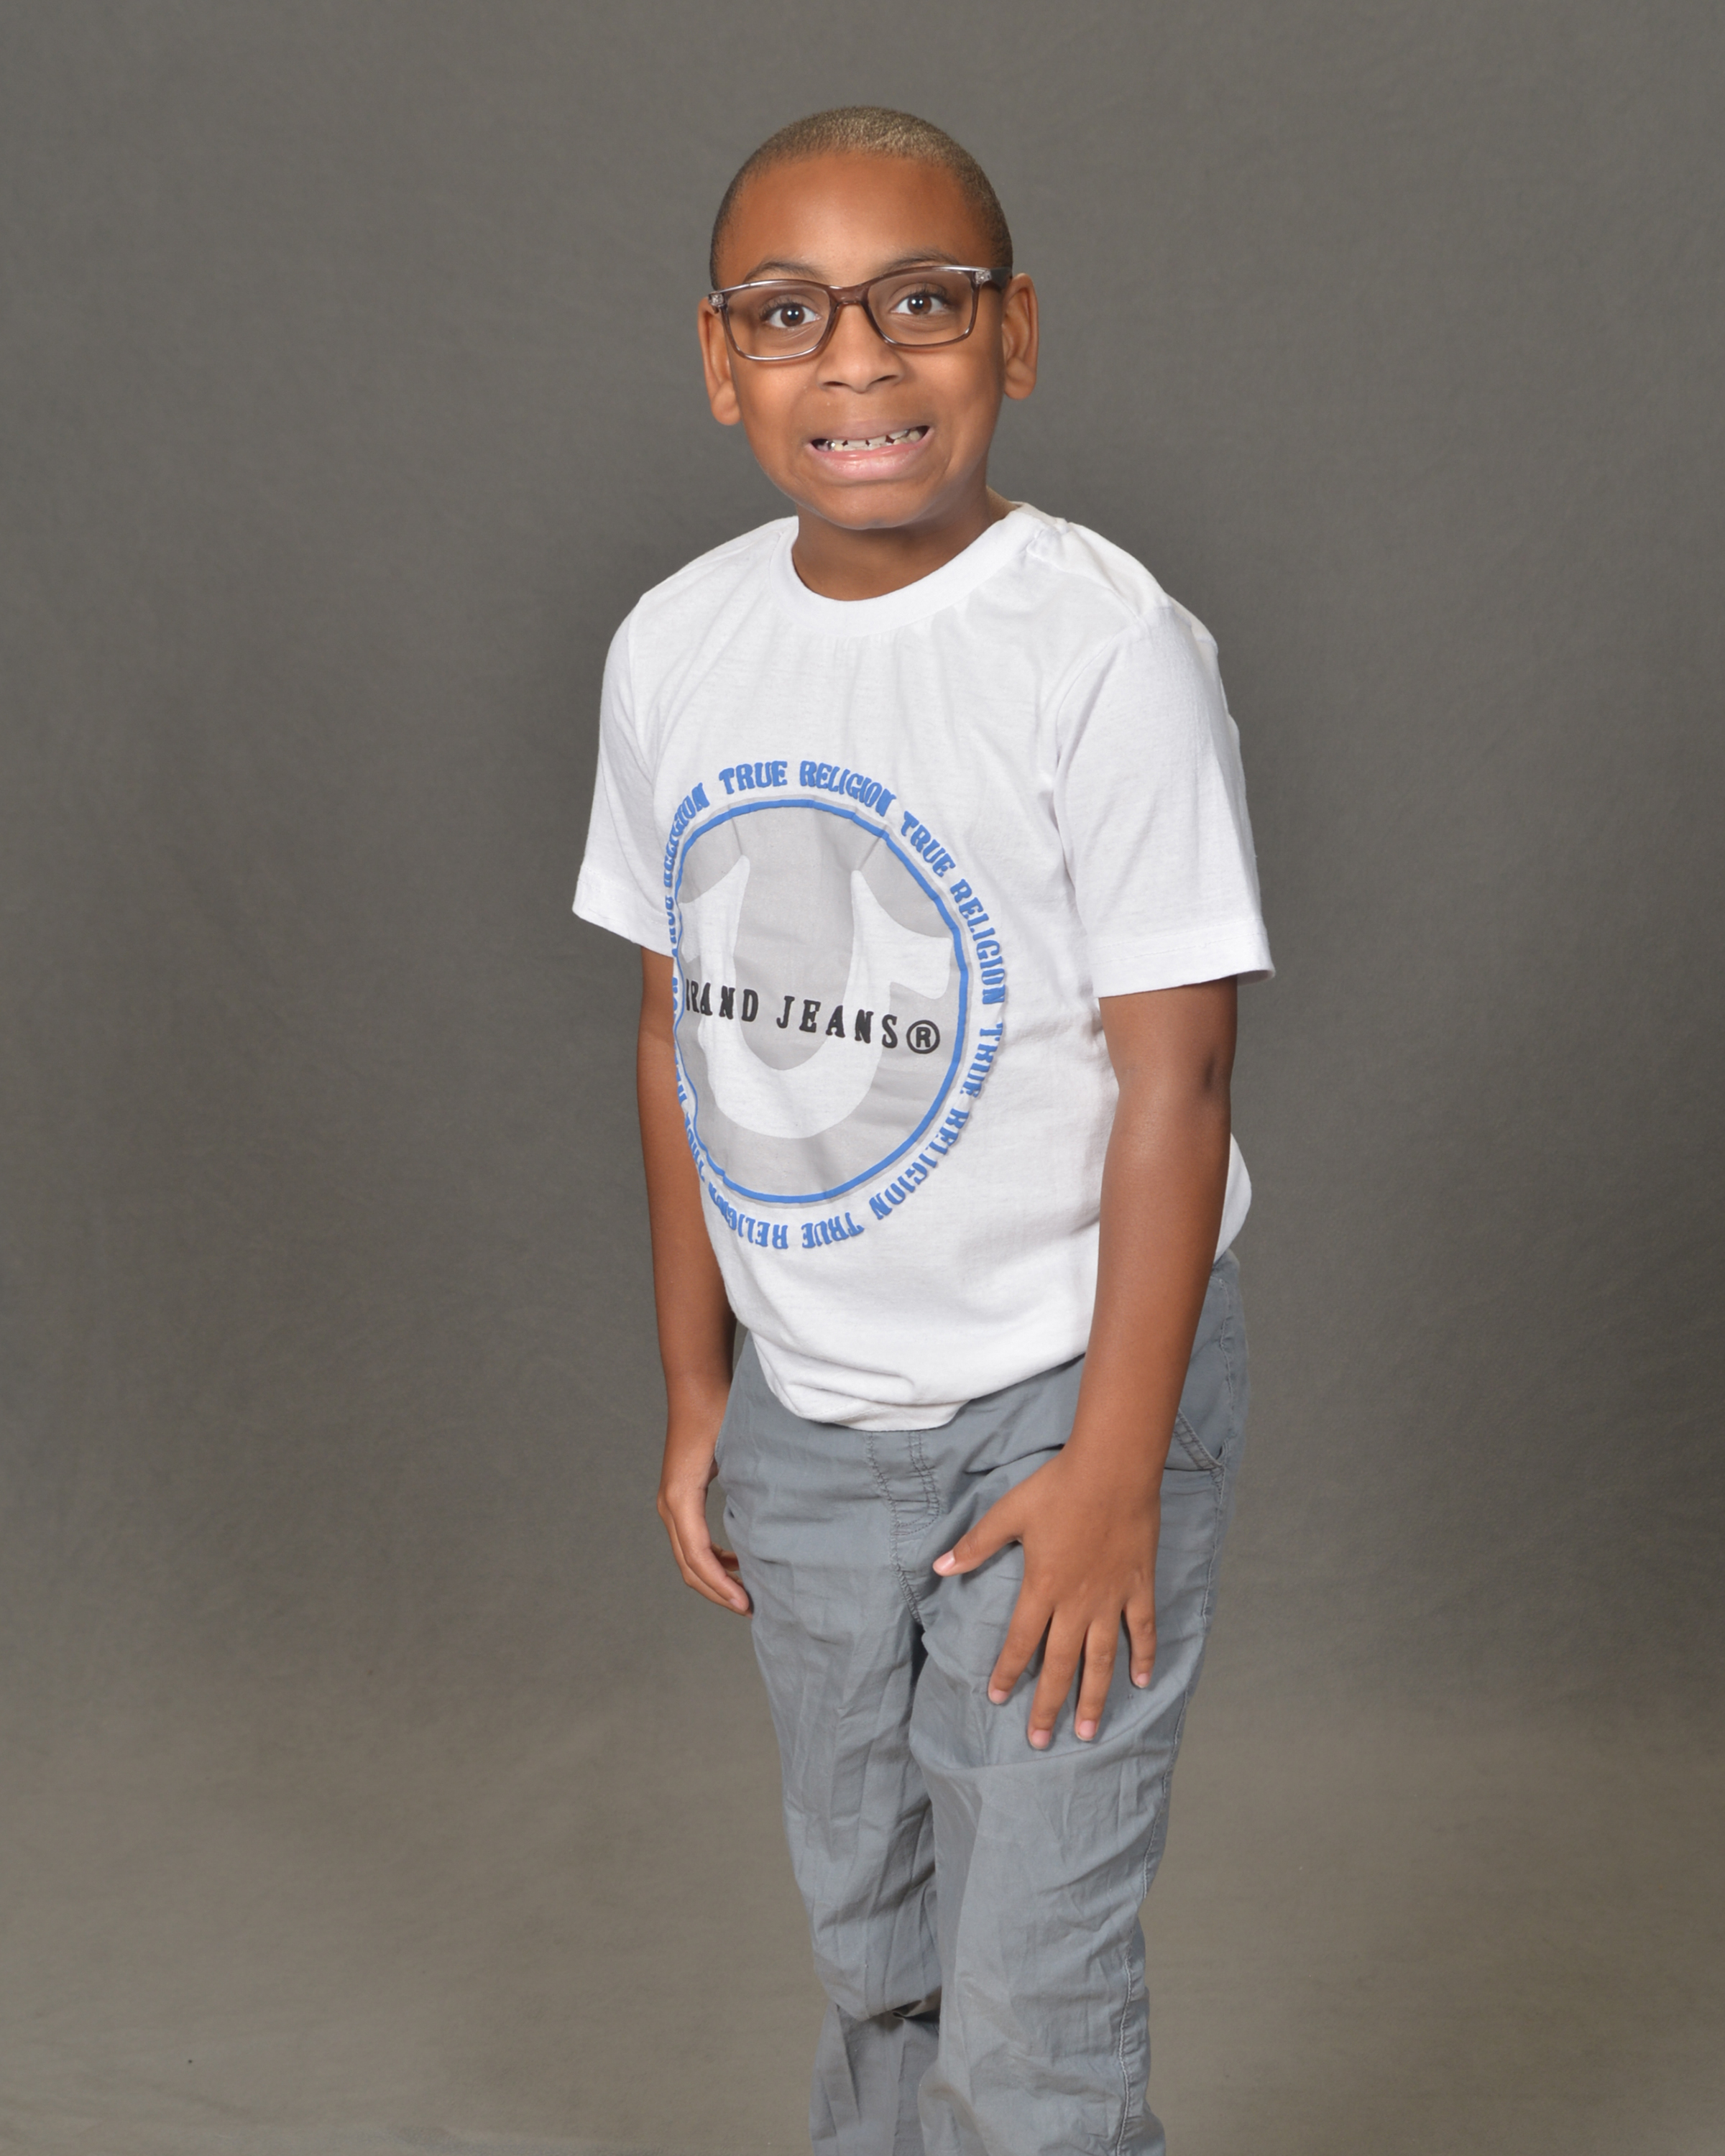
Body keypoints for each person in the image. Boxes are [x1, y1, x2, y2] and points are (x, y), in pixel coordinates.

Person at [574, 105, 1271, 2156]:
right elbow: (672, 1033)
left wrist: (1116, 1471)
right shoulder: (678, 645)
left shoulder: (1103, 652)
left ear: (1014, 335)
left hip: (1064, 1394)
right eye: (790, 313)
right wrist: (698, 1392)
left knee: (1032, 2005)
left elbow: (1179, 1080)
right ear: (722, 361)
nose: (859, 359)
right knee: (875, 1941)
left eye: (923, 303)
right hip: (810, 1415)